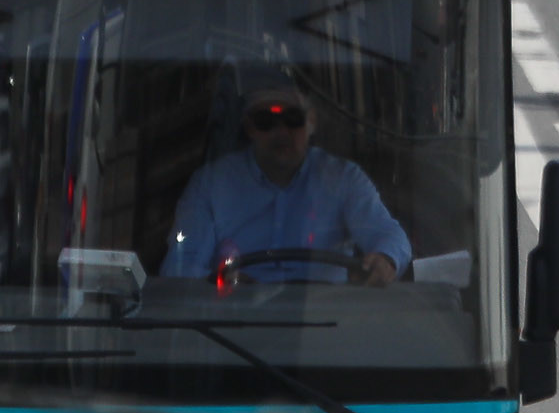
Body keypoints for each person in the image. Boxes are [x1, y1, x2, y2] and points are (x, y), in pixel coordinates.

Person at [164, 75, 409, 288]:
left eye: (292, 119)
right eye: (266, 122)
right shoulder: (210, 184)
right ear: (249, 127)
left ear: (311, 122)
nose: (280, 133)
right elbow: (182, 264)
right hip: (233, 319)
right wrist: (221, 284)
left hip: (323, 320)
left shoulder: (343, 178)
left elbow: (389, 234)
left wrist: (385, 259)